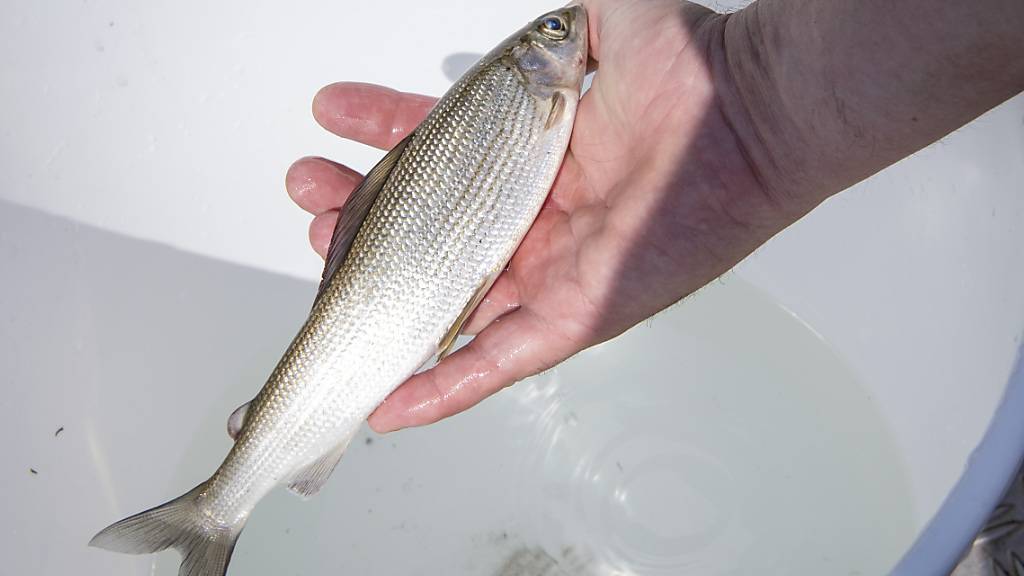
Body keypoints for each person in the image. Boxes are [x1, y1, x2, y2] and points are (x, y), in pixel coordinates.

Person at [284, 0, 1023, 433]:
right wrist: (754, 96)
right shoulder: (540, 87)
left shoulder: (553, 89)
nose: (571, 29)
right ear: (535, 64)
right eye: (553, 34)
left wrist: (755, 96)